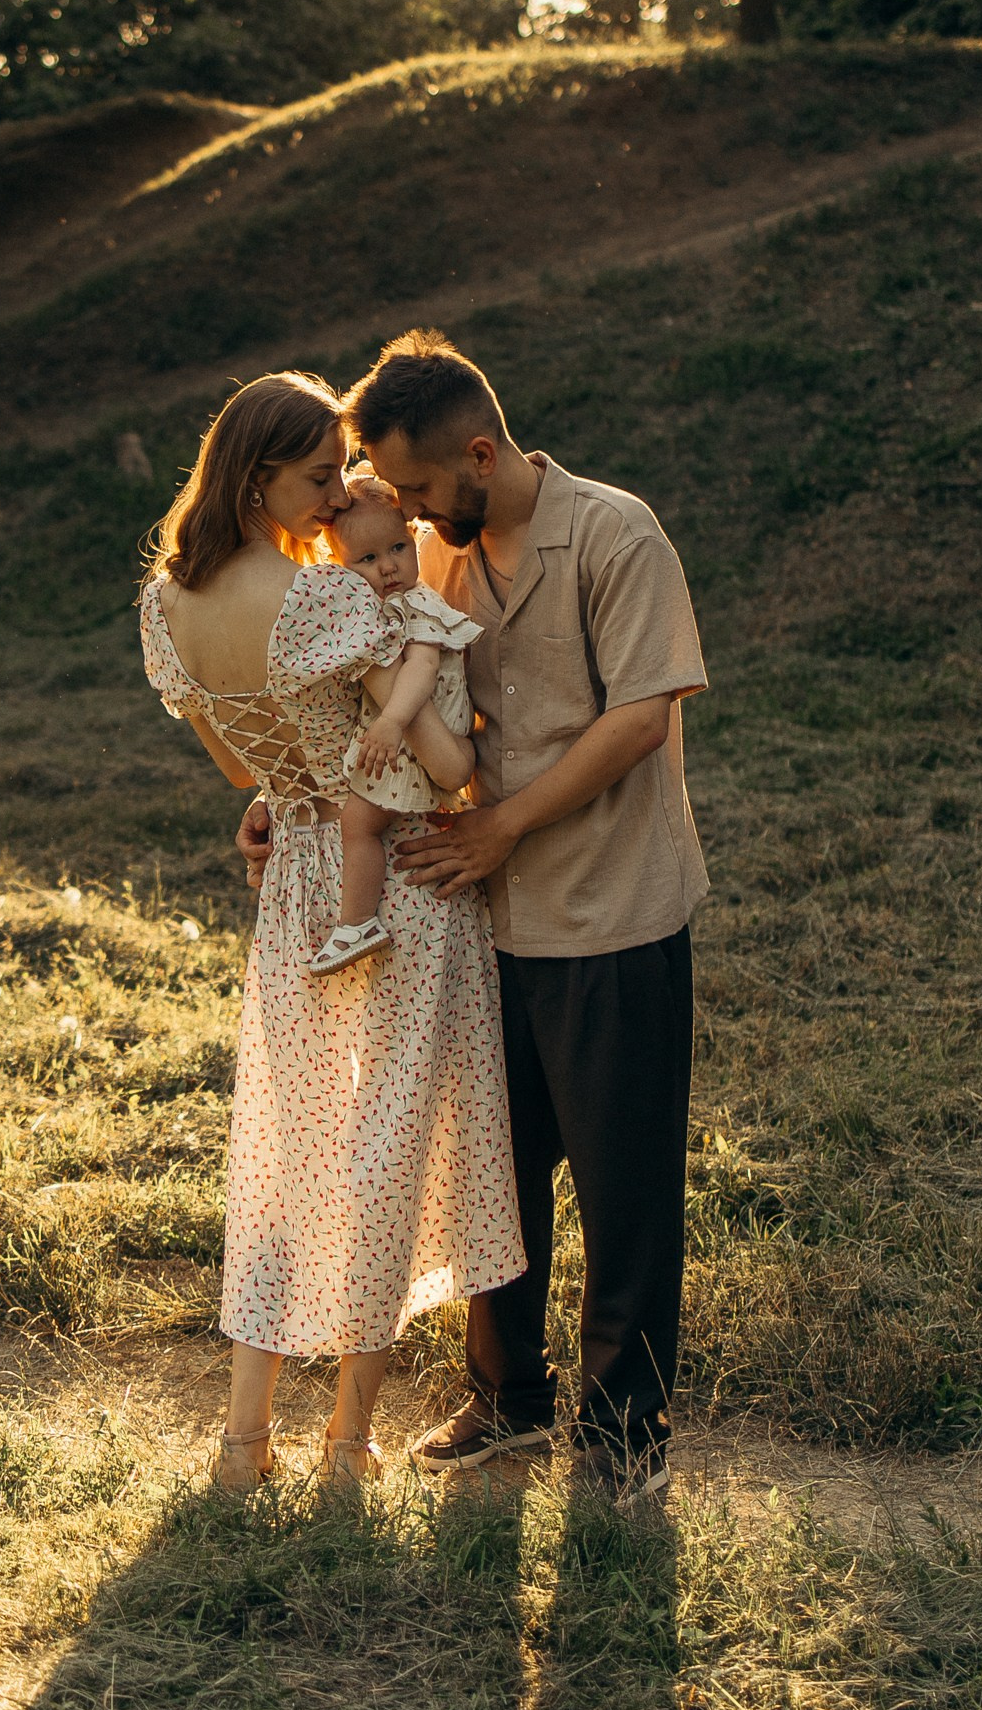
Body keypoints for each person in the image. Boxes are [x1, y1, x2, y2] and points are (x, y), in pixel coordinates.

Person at [246, 326, 709, 1502]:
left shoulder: (614, 533)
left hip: (608, 913)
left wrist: (503, 826)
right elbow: (380, 701)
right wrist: (281, 798)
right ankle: (505, 1400)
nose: (395, 512)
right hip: (476, 918)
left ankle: (620, 1438)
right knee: (490, 1171)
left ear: (480, 450)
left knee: (623, 1188)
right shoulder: (434, 554)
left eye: (409, 487)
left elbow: (639, 719)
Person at [141, 371, 524, 1494]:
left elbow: (240, 772)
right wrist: (463, 763)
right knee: (381, 1154)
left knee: (283, 1150)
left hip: (295, 889)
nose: (330, 499)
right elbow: (431, 765)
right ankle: (345, 1451)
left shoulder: (165, 605)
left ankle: (241, 1442)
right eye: (315, 476)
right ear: (258, 471)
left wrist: (272, 805)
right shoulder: (329, 603)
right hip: (393, 888)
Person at [311, 475, 483, 977]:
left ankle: (357, 922)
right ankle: (358, 920)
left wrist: (389, 722)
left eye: (397, 548)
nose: (387, 566)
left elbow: (422, 669)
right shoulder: (381, 608)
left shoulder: (417, 604)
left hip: (420, 729)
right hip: (414, 730)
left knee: (359, 822)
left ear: (413, 538)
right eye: (366, 560)